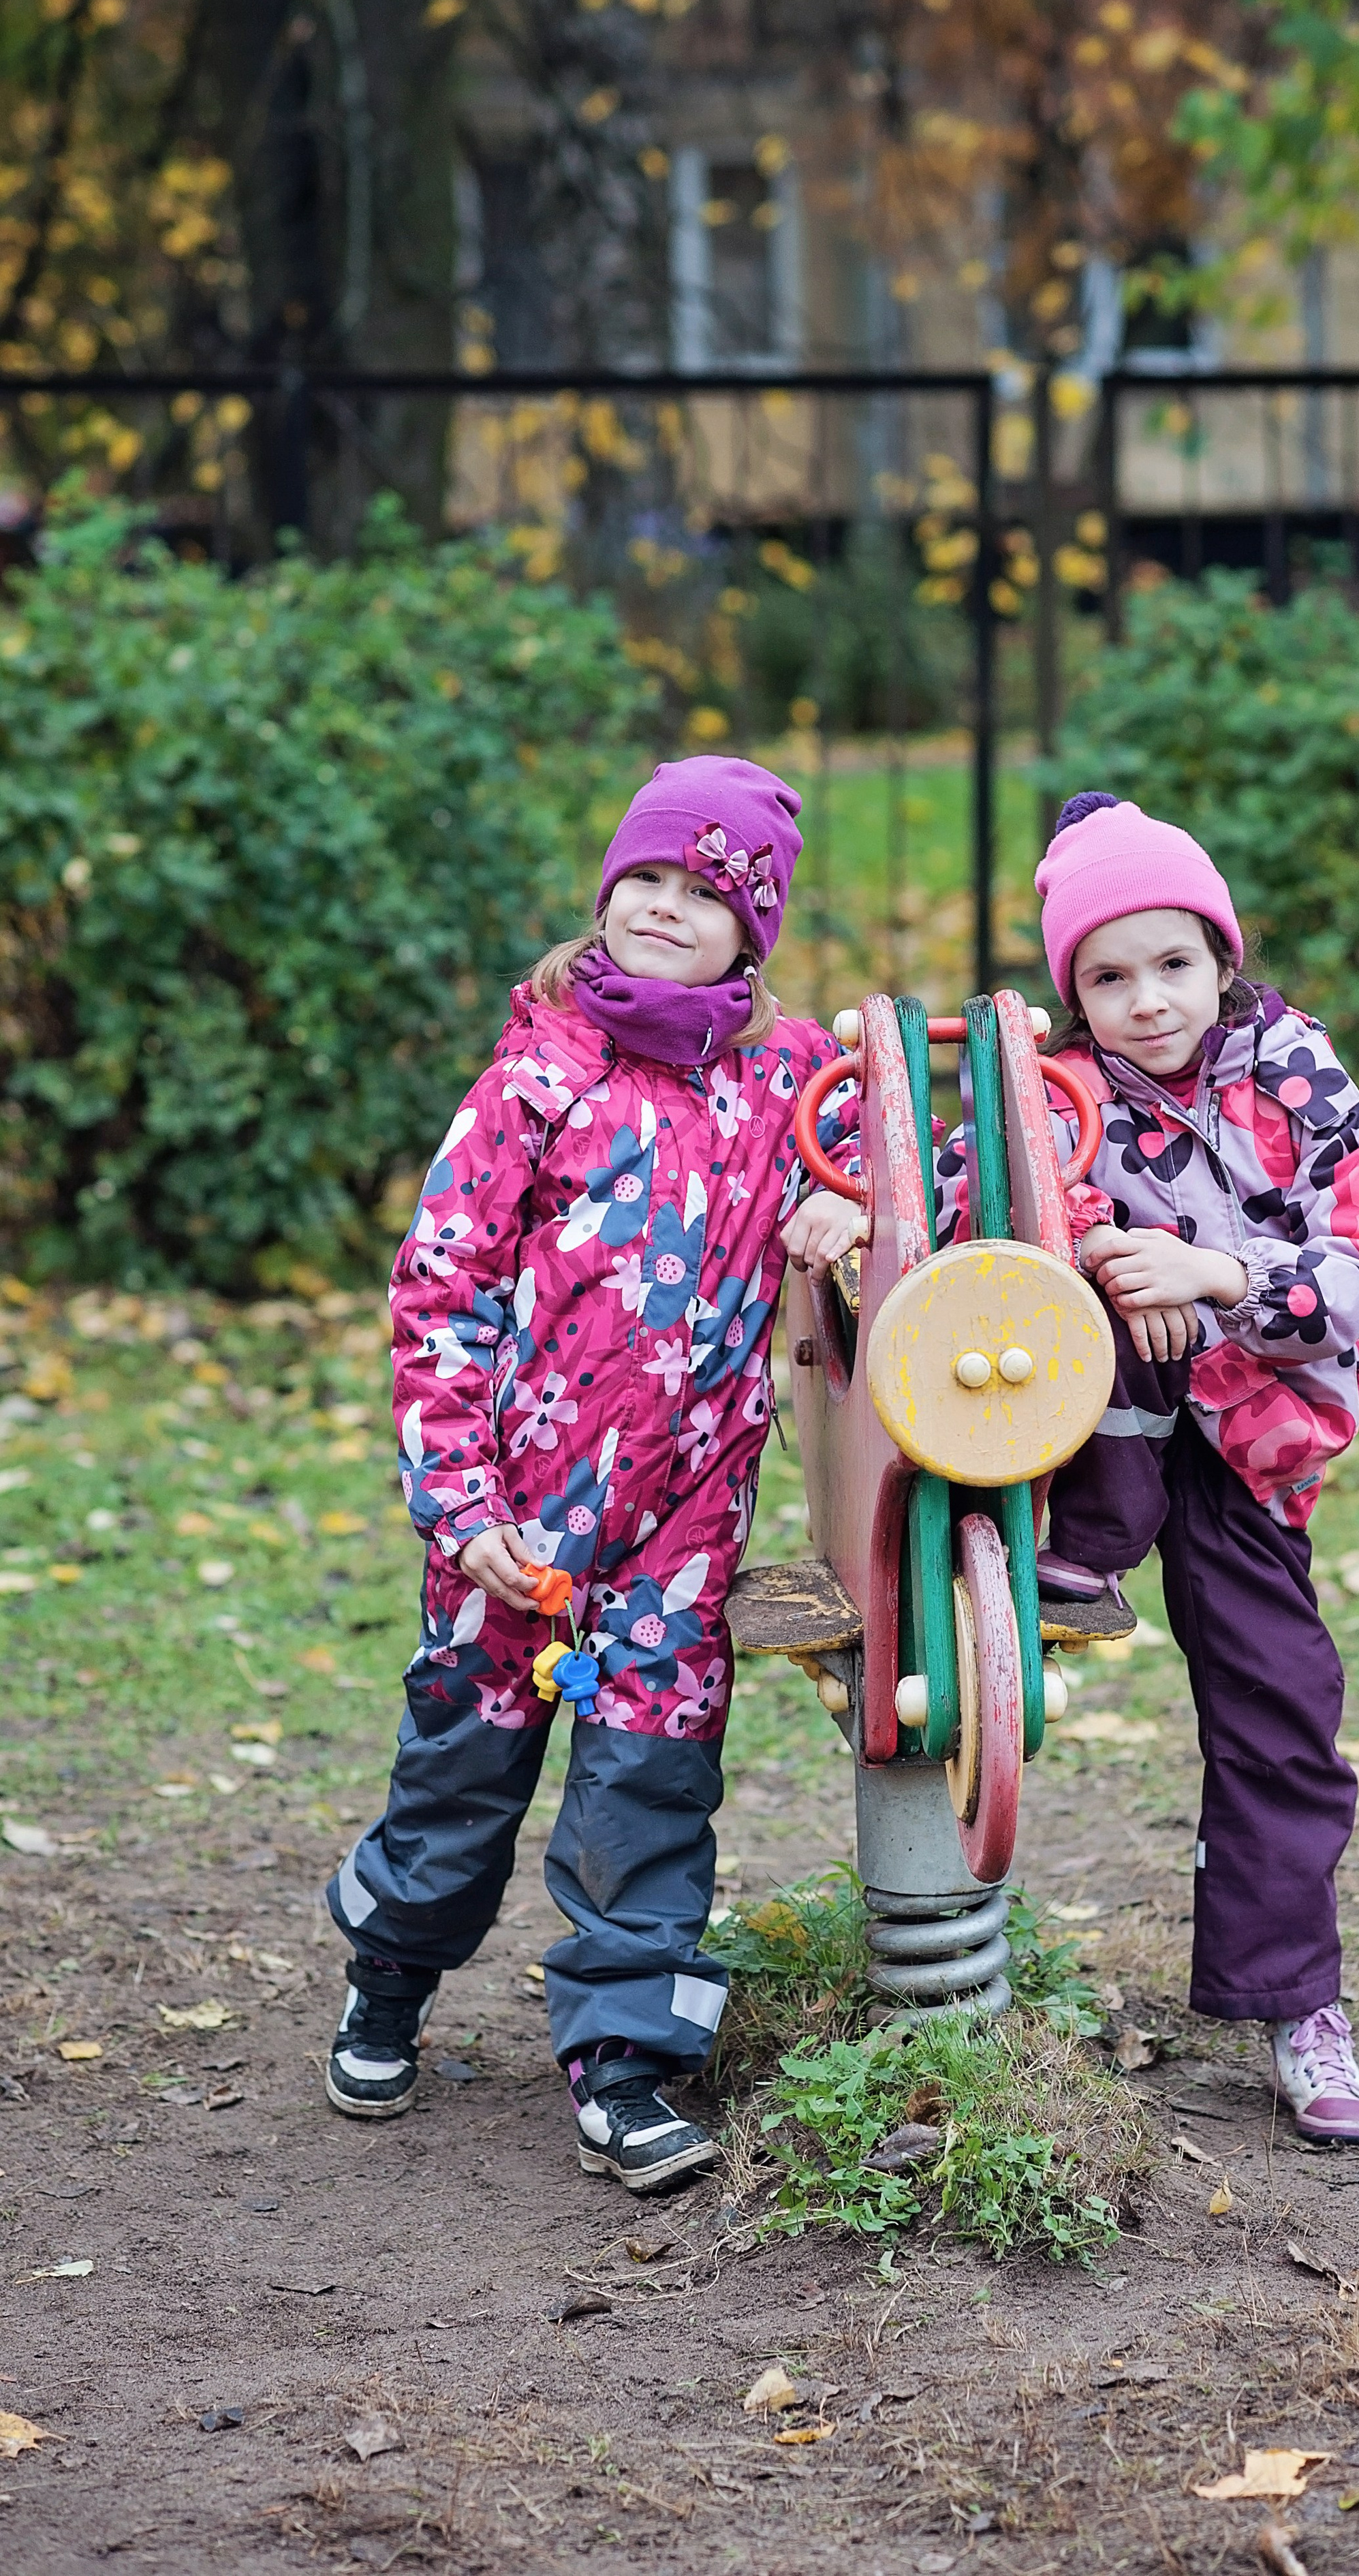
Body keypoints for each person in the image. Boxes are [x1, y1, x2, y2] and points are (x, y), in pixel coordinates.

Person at [323, 754, 862, 2194]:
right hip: (512, 1526)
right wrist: (463, 1507)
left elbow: (919, 1157)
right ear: (609, 888)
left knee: (649, 1790)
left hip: (682, 1529)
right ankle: (389, 1977)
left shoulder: (792, 1080)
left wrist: (852, 1203)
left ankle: (625, 2063)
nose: (668, 906)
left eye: (706, 891)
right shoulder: (537, 1078)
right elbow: (440, 1293)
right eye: (648, 878)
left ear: (753, 928)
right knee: (460, 1776)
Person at [945, 789, 1359, 2146]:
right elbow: (961, 1192)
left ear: (1221, 956)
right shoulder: (1056, 1087)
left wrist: (1213, 1274)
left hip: (1254, 1434)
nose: (1146, 1001)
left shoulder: (1296, 1076)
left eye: (1172, 963)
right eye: (1107, 977)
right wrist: (1094, 1248)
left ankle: (1297, 2007)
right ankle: (1082, 1543)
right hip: (1109, 1418)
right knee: (1085, 1288)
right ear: (1072, 990)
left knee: (1280, 1708)